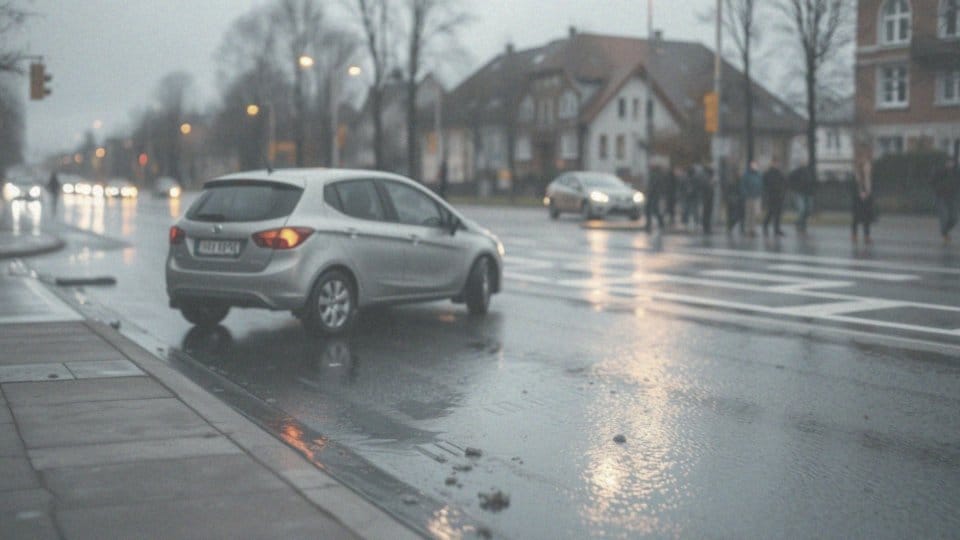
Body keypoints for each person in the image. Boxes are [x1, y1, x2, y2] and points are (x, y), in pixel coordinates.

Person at [931, 156, 960, 243]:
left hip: (952, 198)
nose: (950, 164)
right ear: (945, 163)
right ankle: (944, 234)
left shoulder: (956, 172)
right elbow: (932, 181)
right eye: (948, 162)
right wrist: (939, 189)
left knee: (954, 218)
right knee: (944, 216)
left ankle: (945, 231)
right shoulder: (939, 171)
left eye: (952, 162)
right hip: (940, 197)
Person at [851, 158, 874, 243]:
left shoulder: (869, 177)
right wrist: (860, 193)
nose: (868, 168)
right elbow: (856, 187)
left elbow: (870, 188)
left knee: (867, 219)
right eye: (866, 166)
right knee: (856, 218)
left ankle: (866, 236)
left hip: (867, 200)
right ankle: (854, 235)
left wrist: (868, 194)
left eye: (869, 166)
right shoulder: (858, 177)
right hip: (858, 200)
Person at [762, 158, 787, 237]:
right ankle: (765, 225)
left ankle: (776, 229)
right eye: (775, 163)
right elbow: (765, 184)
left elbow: (784, 182)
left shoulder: (779, 173)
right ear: (772, 163)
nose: (777, 165)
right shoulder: (768, 173)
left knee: (778, 213)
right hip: (771, 196)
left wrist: (783, 192)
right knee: (771, 212)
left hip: (779, 196)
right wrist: (768, 193)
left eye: (777, 163)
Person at [788, 163, 816, 233]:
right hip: (800, 193)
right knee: (802, 209)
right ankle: (799, 223)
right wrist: (795, 188)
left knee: (809, 209)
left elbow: (813, 181)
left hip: (809, 193)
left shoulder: (810, 171)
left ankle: (801, 222)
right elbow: (790, 179)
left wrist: (813, 190)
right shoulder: (797, 172)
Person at [740, 161, 763, 237]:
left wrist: (760, 193)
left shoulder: (759, 175)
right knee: (748, 214)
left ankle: (753, 229)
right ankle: (748, 229)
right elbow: (743, 185)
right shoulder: (746, 175)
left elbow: (761, 184)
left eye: (755, 165)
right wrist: (746, 194)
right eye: (753, 165)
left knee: (754, 214)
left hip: (756, 196)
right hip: (749, 197)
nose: (754, 166)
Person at [644, 166, 665, 233]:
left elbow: (652, 186)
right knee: (653, 210)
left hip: (653, 195)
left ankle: (650, 224)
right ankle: (658, 223)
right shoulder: (657, 176)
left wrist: (649, 192)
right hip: (654, 195)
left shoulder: (654, 176)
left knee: (652, 210)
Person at [700, 164, 716, 234]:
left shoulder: (706, 177)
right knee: (707, 213)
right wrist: (712, 183)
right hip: (707, 198)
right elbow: (707, 188)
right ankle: (706, 227)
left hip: (708, 198)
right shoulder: (707, 178)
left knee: (707, 213)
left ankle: (707, 227)